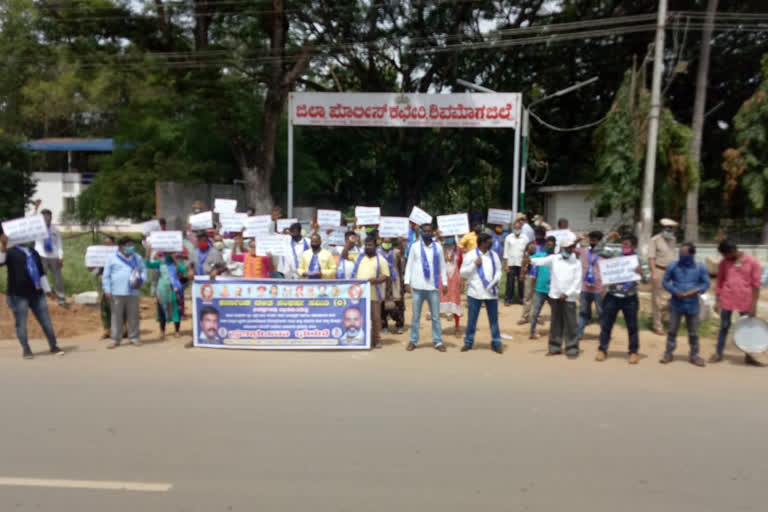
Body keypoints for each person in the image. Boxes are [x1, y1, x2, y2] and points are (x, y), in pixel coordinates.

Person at [0, 232, 64, 359]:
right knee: (21, 323)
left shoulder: (34, 252)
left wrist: (48, 290)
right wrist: (3, 245)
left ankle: (53, 345)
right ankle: (26, 349)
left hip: (37, 293)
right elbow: (0, 262)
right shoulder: (10, 252)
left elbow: (41, 273)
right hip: (18, 295)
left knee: (46, 321)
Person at [595, 233, 648, 364]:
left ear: (634, 246)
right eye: (622, 244)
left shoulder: (640, 260)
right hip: (612, 296)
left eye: (627, 245)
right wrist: (607, 237)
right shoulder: (615, 254)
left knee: (632, 327)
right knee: (606, 325)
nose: (624, 247)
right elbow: (597, 249)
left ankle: (633, 352)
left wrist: (642, 273)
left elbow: (647, 280)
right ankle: (602, 349)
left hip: (630, 298)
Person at [530, 233, 582, 358]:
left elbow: (577, 281)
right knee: (555, 323)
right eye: (567, 248)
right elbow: (539, 261)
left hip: (568, 298)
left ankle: (572, 348)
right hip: (555, 295)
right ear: (562, 248)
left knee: (571, 324)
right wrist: (529, 258)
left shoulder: (576, 262)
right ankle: (554, 347)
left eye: (571, 247)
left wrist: (568, 293)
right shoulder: (554, 259)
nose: (569, 250)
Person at [660, 242, 710, 366]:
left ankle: (694, 356)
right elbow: (665, 282)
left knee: (693, 332)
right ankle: (668, 353)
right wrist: (675, 291)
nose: (681, 255)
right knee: (672, 330)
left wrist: (697, 290)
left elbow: (706, 283)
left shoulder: (700, 267)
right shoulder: (673, 266)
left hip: (692, 305)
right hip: (676, 304)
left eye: (684, 253)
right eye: (680, 253)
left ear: (692, 254)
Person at [712, 240, 761, 363]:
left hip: (745, 300)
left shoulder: (752, 262)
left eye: (725, 255)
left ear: (732, 251)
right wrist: (717, 301)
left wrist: (753, 305)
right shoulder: (724, 263)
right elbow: (719, 281)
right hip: (727, 299)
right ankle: (718, 354)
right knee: (724, 327)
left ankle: (749, 356)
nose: (724, 257)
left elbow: (756, 285)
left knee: (747, 329)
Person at [404, 223, 448, 352]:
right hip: (418, 287)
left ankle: (438, 341)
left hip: (433, 288)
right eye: (424, 231)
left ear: (433, 232)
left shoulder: (438, 247)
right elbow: (409, 265)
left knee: (435, 317)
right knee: (415, 316)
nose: (427, 233)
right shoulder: (415, 247)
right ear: (421, 233)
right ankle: (413, 340)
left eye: (429, 231)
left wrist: (444, 283)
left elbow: (442, 266)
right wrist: (407, 282)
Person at [459, 233, 503, 354]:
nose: (491, 243)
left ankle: (496, 342)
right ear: (482, 243)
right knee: (472, 320)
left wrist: (497, 280)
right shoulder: (470, 255)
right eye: (488, 241)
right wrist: (474, 264)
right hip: (475, 292)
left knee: (493, 320)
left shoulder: (494, 255)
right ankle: (468, 342)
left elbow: (499, 270)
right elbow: (462, 273)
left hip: (491, 293)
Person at [102, 237, 147, 348]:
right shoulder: (112, 258)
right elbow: (106, 276)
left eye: (131, 245)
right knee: (116, 316)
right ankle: (115, 339)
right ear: (120, 247)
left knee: (133, 316)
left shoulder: (137, 258)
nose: (130, 247)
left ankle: (134, 337)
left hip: (133, 291)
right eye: (127, 245)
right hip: (117, 292)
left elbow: (143, 271)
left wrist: (141, 281)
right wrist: (107, 290)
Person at [345, 236, 390, 348]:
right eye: (366, 245)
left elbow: (385, 276)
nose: (367, 247)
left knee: (375, 318)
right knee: (358, 317)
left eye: (370, 245)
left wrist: (375, 281)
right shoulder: (359, 257)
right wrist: (349, 244)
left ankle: (377, 340)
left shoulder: (381, 260)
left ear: (375, 246)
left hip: (374, 294)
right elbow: (344, 256)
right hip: (359, 295)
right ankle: (360, 339)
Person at [146, 252, 187, 339]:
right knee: (162, 311)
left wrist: (175, 260)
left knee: (176, 310)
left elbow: (183, 270)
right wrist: (148, 252)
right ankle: (162, 331)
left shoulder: (176, 262)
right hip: (162, 289)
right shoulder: (160, 262)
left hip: (174, 290)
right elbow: (148, 265)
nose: (168, 254)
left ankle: (177, 331)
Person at [648, 218, 679, 335]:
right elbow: (651, 257)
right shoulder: (654, 240)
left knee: (672, 297)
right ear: (663, 228)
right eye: (668, 228)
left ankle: (665, 319)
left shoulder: (673, 240)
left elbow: (672, 256)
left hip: (671, 272)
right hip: (659, 270)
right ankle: (657, 325)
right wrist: (654, 272)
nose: (670, 230)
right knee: (657, 299)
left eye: (672, 228)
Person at [34, 208, 67, 307]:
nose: (46, 217)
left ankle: (61, 299)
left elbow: (59, 245)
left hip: (54, 256)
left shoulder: (55, 230)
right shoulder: (36, 228)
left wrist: (60, 257)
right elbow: (30, 221)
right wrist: (35, 209)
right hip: (41, 255)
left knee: (58, 279)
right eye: (44, 216)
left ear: (51, 217)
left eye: (48, 215)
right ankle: (39, 299)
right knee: (39, 277)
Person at [87, 234, 116, 339]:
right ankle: (107, 329)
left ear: (114, 245)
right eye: (105, 244)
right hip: (103, 283)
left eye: (109, 244)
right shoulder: (100, 258)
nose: (106, 246)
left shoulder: (119, 256)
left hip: (116, 283)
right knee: (104, 307)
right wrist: (89, 260)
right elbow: (93, 272)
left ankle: (122, 329)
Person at [576, 231, 605, 339]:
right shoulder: (583, 251)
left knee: (601, 313)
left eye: (595, 239)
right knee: (583, 312)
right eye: (591, 239)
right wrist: (579, 239)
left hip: (599, 289)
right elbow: (569, 248)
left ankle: (604, 333)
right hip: (585, 288)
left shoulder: (604, 254)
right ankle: (579, 333)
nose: (592, 241)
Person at [529, 236, 556, 339]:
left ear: (555, 246)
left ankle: (554, 332)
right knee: (535, 312)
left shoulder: (558, 258)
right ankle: (532, 332)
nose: (550, 247)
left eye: (551, 245)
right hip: (540, 289)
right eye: (548, 245)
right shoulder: (540, 256)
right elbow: (529, 259)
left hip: (553, 290)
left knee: (555, 312)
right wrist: (529, 252)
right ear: (545, 245)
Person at [379, 237, 405, 335]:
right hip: (382, 281)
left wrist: (400, 243)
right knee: (382, 305)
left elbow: (400, 265)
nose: (387, 244)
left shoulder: (396, 252)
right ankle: (384, 326)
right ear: (382, 242)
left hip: (395, 281)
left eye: (389, 242)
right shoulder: (378, 253)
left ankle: (399, 325)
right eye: (385, 242)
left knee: (398, 304)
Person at [440, 235, 463, 337]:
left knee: (455, 301)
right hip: (442, 279)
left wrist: (462, 279)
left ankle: (457, 327)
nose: (448, 239)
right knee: (441, 301)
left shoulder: (459, 250)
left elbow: (461, 264)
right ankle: (438, 328)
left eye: (450, 236)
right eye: (447, 237)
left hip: (454, 278)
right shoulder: (440, 249)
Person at [503, 220, 528, 305]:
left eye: (519, 228)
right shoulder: (508, 237)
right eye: (515, 228)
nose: (517, 229)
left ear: (521, 228)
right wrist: (506, 265)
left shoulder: (525, 238)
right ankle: (508, 299)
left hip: (521, 263)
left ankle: (521, 298)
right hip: (511, 263)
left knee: (521, 282)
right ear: (513, 228)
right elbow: (505, 252)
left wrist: (525, 266)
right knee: (510, 282)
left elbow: (526, 252)